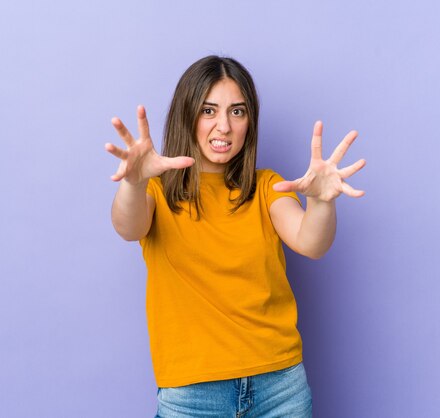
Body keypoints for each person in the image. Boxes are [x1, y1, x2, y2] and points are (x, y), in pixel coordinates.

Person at [105, 55, 365, 417]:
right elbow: (127, 226)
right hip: (192, 395)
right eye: (209, 111)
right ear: (187, 115)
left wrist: (321, 202)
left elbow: (311, 242)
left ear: (249, 122)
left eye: (237, 112)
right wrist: (133, 183)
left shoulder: (267, 187)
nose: (223, 126)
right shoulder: (157, 191)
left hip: (280, 388)